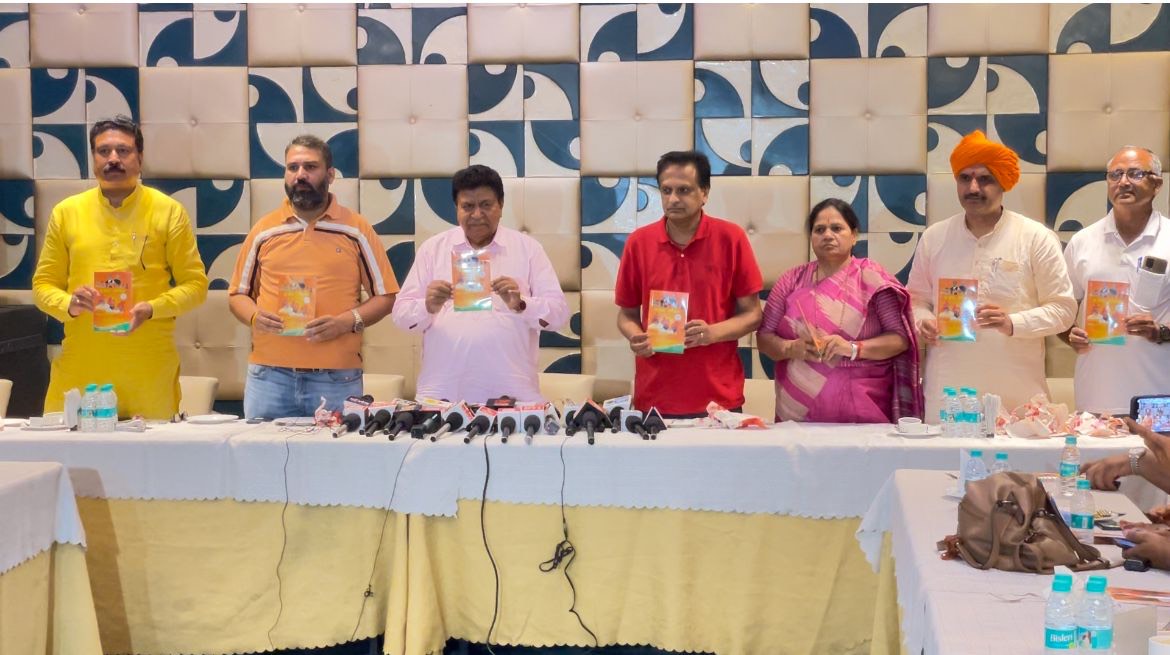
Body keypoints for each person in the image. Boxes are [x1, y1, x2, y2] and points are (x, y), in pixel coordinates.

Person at [32, 115, 208, 419]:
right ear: (93, 158)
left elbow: (196, 286)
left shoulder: (168, 212)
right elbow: (42, 286)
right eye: (104, 151)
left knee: (150, 450)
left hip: (147, 370)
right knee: (69, 449)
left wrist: (151, 308)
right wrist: (70, 304)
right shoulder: (67, 213)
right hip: (82, 367)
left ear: (140, 158)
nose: (113, 158)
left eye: (123, 151)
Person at [907, 130, 1076, 419]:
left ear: (1003, 184)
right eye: (965, 178)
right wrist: (923, 321)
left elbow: (1063, 310)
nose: (973, 187)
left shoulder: (1035, 238)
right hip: (948, 391)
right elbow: (915, 300)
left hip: (1016, 393)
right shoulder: (934, 237)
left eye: (985, 179)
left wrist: (1012, 322)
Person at [228, 135, 398, 419]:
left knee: (337, 450)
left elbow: (387, 296)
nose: (300, 175)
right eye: (292, 167)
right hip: (269, 378)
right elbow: (237, 295)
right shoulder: (263, 230)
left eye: (310, 167)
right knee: (259, 450)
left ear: (330, 175)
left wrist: (346, 322)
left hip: (336, 379)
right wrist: (255, 317)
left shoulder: (356, 230)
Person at [391, 164, 568, 403]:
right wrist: (427, 306)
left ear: (501, 205)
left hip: (513, 393)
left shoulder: (527, 249)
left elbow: (559, 315)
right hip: (442, 392)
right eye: (468, 206)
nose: (476, 215)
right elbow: (400, 316)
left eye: (486, 205)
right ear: (456, 208)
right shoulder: (433, 249)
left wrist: (522, 304)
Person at [615, 151, 763, 418]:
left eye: (684, 190)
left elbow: (753, 314)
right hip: (655, 397)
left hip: (719, 398)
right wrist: (636, 337)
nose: (673, 199)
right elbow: (626, 315)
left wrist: (712, 333)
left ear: (704, 193)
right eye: (666, 190)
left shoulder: (731, 238)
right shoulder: (639, 243)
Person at [758, 199, 922, 423]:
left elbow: (900, 339)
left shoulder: (873, 279)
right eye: (819, 230)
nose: (827, 235)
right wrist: (790, 348)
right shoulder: (791, 281)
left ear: (854, 235)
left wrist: (852, 348)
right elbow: (764, 337)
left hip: (865, 415)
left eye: (836, 228)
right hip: (797, 416)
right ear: (811, 238)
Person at [1062, 146, 1170, 414]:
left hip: (1159, 398)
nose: (1123, 182)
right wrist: (1070, 335)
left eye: (1135, 174)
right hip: (1096, 398)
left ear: (1157, 184)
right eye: (1115, 175)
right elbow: (1060, 311)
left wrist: (1160, 331)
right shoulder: (1082, 242)